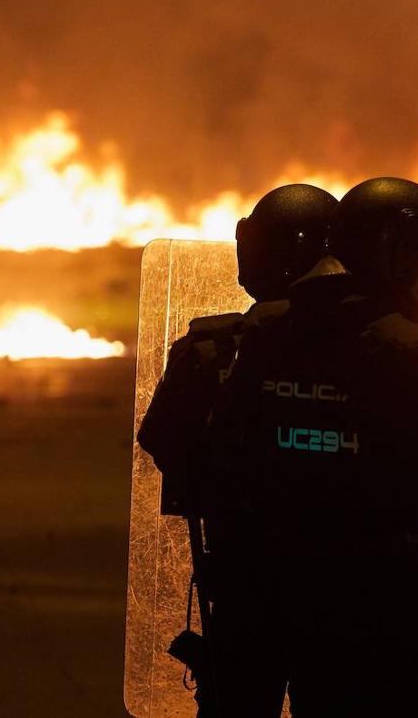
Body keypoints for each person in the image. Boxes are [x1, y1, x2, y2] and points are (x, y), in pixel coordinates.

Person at [204, 176, 418, 717]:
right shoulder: (415, 349)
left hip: (261, 606)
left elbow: (218, 457)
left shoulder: (267, 332)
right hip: (376, 617)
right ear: (391, 255)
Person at [136, 182, 339, 715]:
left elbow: (161, 438)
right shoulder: (364, 350)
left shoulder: (212, 349)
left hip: (241, 584)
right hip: (339, 592)